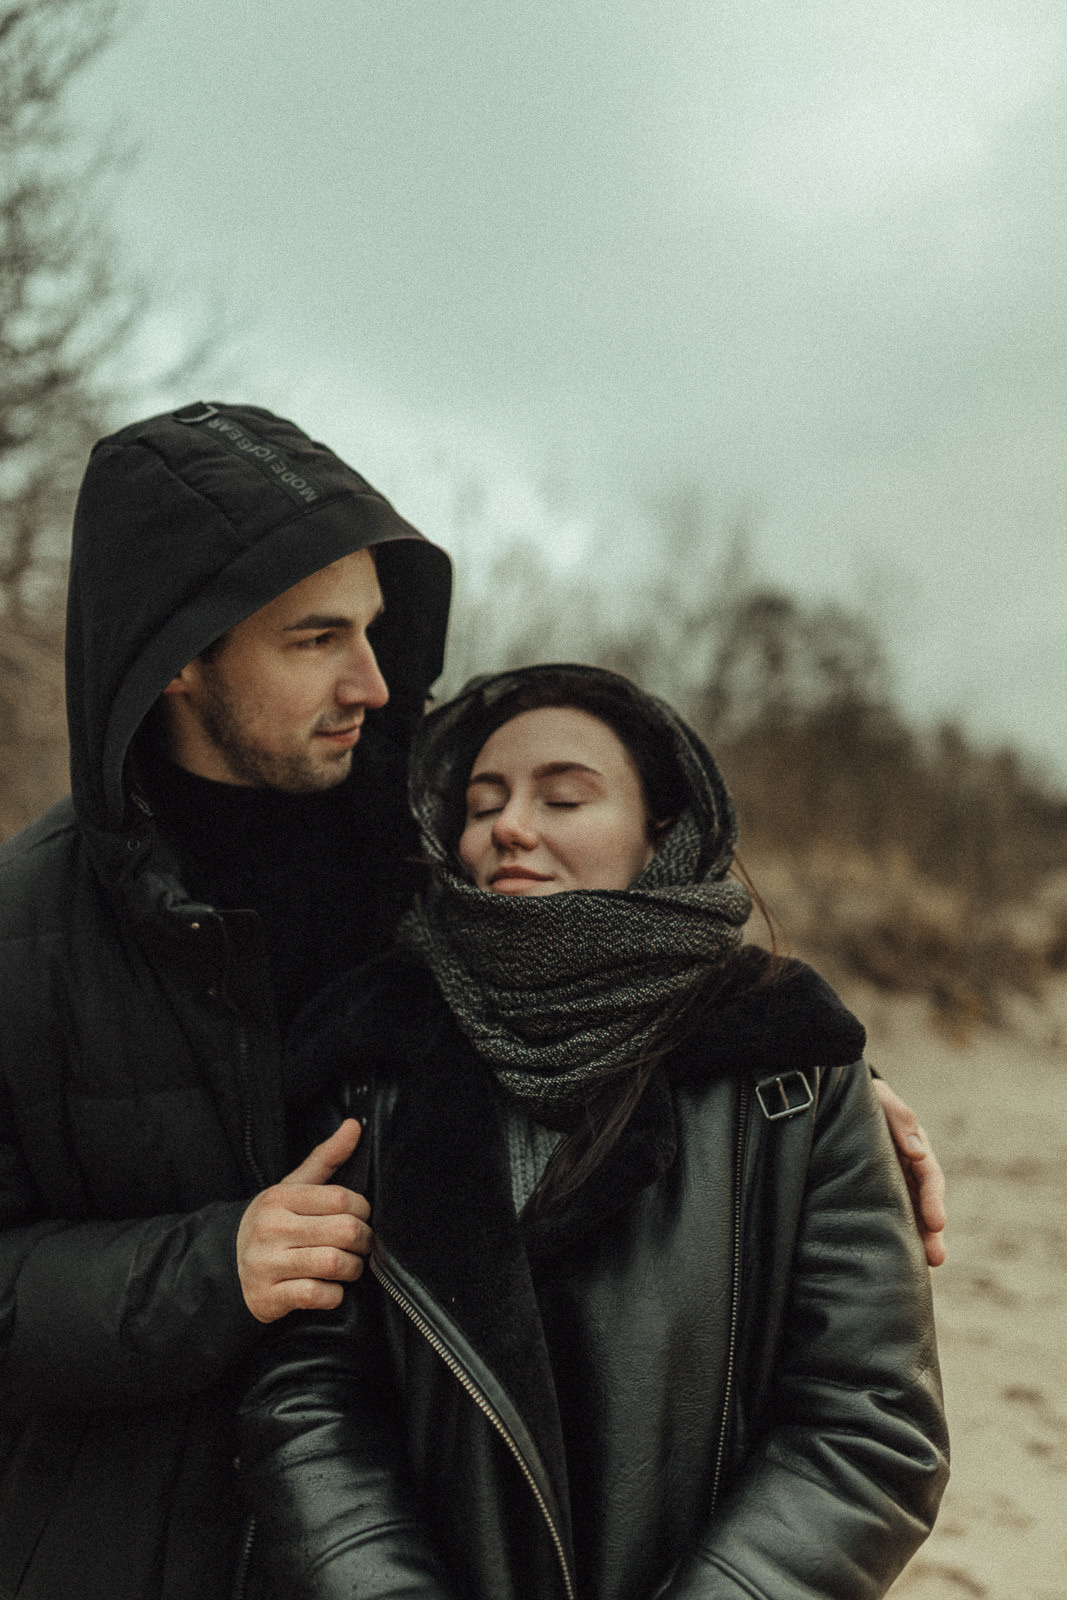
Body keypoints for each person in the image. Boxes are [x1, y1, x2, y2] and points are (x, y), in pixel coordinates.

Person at [239, 663, 950, 1600]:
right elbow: (311, 1394)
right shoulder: (373, 1062)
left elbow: (869, 1423)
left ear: (661, 829)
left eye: (564, 797)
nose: (510, 827)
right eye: (483, 801)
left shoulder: (794, 1067)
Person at [0, 403, 451, 1600]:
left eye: (372, 628)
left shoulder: (443, 870)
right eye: (314, 639)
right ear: (181, 657)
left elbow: (629, 985)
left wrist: (812, 1114)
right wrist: (216, 1265)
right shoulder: (15, 932)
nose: (371, 677)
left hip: (417, 1547)